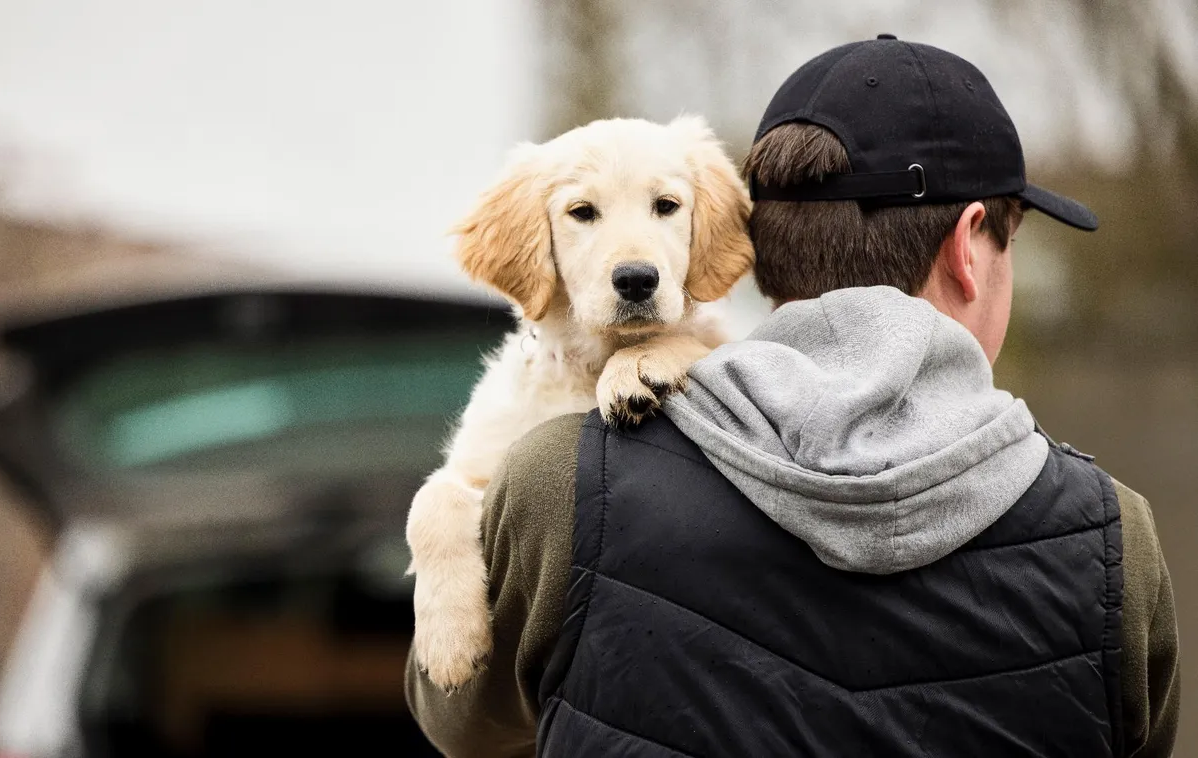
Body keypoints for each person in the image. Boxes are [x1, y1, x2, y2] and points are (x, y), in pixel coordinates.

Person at [405, 36, 1179, 757]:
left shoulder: (559, 481)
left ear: (754, 246)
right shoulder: (1112, 536)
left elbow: (462, 722)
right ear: (970, 246)